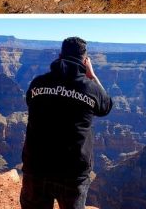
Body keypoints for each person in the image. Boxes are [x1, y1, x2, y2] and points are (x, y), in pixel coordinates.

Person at [20, 36, 113, 209]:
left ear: (60, 55)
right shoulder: (90, 88)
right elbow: (105, 107)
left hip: (36, 167)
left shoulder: (37, 83)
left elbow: (30, 103)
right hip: (73, 173)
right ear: (85, 61)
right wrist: (92, 77)